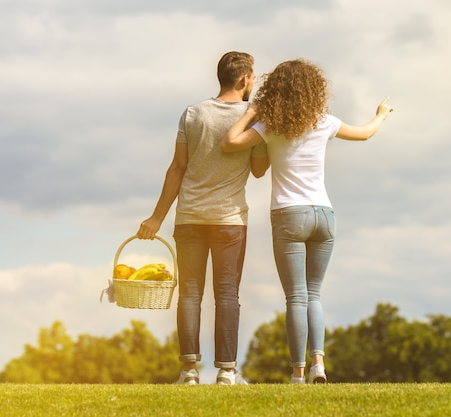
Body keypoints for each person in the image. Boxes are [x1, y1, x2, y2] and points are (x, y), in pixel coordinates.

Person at [221, 59, 393, 384]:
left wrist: (250, 112)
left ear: (276, 91)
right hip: (324, 215)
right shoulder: (323, 121)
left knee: (296, 297)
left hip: (289, 215)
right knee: (314, 294)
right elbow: (365, 134)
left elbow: (229, 142)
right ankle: (319, 365)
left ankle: (298, 374)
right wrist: (381, 114)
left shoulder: (270, 124)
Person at [137, 51, 269, 385]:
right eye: (253, 77)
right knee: (227, 294)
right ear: (244, 79)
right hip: (229, 220)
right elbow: (257, 171)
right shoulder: (252, 117)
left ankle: (189, 371)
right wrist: (267, 138)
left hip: (190, 217)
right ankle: (226, 371)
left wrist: (156, 217)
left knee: (190, 294)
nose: (253, 82)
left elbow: (177, 168)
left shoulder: (193, 113)